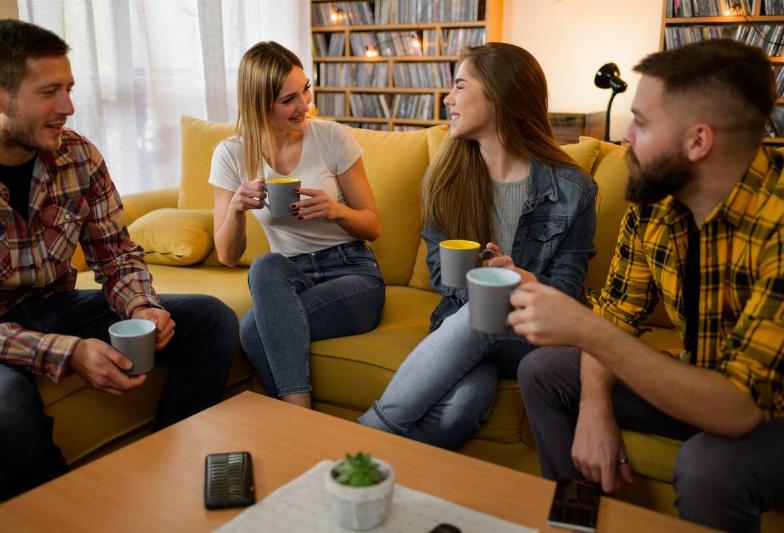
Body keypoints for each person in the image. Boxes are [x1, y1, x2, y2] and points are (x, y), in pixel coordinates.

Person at [510, 39, 784, 532]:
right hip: (703, 381)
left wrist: (588, 332)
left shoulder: (778, 223)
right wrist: (594, 410)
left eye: (641, 121)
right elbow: (615, 313)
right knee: (546, 370)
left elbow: (739, 409)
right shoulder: (654, 203)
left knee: (708, 467)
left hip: (768, 412)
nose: (625, 138)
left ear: (698, 142)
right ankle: (577, 523)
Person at [0, 20, 238, 500]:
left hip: (54, 306)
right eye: (50, 92)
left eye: (70, 89)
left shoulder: (78, 157)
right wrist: (67, 352)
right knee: (1, 404)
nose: (68, 107)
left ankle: (170, 460)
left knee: (210, 318)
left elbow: (116, 255)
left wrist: (143, 307)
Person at [358, 43, 597, 448]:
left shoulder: (573, 190)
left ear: (499, 95)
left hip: (535, 332)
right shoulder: (446, 177)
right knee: (459, 410)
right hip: (464, 325)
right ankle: (390, 478)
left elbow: (569, 295)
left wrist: (522, 281)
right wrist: (481, 279)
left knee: (480, 316)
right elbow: (441, 275)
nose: (448, 98)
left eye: (459, 86)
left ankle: (361, 440)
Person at [209, 42, 384, 409]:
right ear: (259, 103)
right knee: (264, 265)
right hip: (291, 276)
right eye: (289, 99)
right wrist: (237, 209)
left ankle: (296, 413)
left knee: (253, 329)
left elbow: (372, 225)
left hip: (351, 272)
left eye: (305, 88)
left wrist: (336, 210)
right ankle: (302, 415)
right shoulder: (231, 153)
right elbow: (226, 255)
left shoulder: (332, 137)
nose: (304, 104)